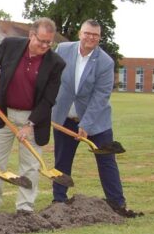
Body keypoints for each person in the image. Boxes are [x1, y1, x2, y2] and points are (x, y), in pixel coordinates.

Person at [51, 19, 142, 217]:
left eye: (95, 35)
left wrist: (86, 124)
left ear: (99, 38)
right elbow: (51, 78)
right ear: (80, 33)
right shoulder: (63, 50)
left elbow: (101, 96)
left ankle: (117, 203)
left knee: (106, 160)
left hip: (96, 122)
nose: (90, 38)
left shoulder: (105, 62)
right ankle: (59, 200)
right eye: (87, 33)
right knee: (62, 161)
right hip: (64, 117)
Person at [0, 18, 65, 216]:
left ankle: (25, 207)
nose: (44, 46)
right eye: (41, 41)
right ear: (31, 35)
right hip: (4, 114)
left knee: (30, 166)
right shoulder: (10, 46)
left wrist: (30, 125)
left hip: (34, 119)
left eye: (49, 42)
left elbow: (48, 99)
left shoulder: (56, 63)